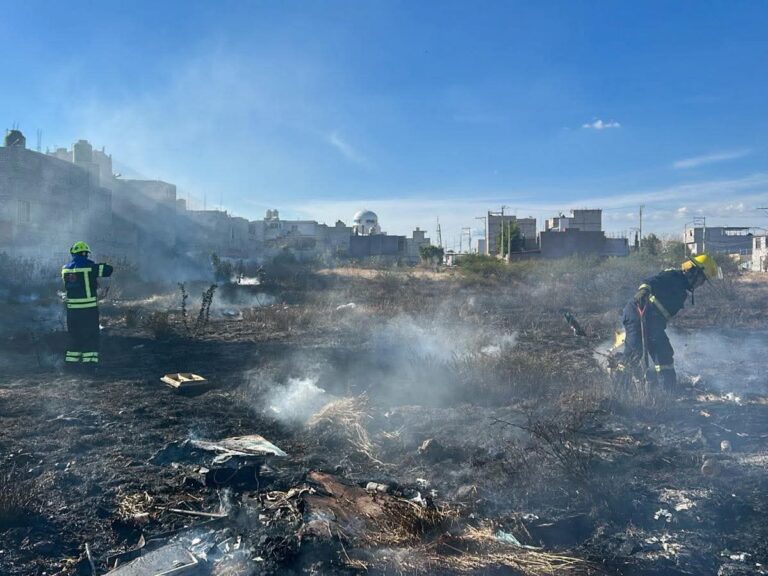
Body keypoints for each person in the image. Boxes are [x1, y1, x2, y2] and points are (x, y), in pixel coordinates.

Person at [622, 254, 718, 389]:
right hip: (638, 313)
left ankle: (667, 392)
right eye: (702, 279)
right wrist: (643, 291)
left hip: (654, 323)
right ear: (694, 272)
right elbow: (650, 281)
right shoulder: (673, 276)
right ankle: (618, 389)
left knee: (664, 354)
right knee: (633, 352)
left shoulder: (682, 288)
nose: (701, 284)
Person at [61, 241, 113, 371]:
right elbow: (108, 270)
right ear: (85, 253)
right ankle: (89, 366)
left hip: (72, 312)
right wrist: (102, 264)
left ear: (73, 253)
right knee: (90, 336)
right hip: (88, 310)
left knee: (74, 336)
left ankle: (71, 366)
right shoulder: (90, 266)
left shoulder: (65, 269)